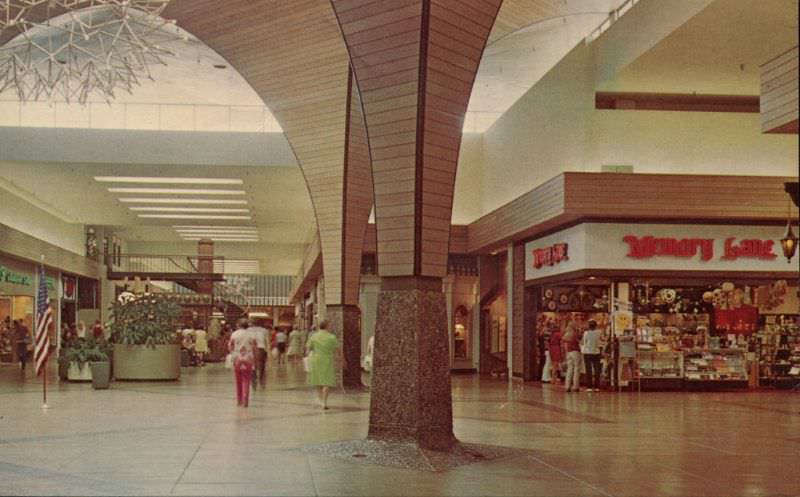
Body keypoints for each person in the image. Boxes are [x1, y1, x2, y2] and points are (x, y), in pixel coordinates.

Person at [306, 320, 341, 409]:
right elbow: (338, 350)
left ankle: (321, 400)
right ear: (327, 326)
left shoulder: (314, 336)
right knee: (327, 381)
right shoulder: (332, 337)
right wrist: (342, 360)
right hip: (327, 359)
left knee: (318, 381)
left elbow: (308, 348)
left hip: (316, 359)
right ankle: (324, 402)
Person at [228, 318, 257, 407]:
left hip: (237, 358)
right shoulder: (251, 334)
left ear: (238, 325)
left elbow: (230, 346)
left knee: (238, 380)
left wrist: (233, 353)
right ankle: (245, 401)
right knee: (246, 380)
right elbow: (255, 347)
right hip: (248, 357)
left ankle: (239, 400)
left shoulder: (234, 334)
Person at [581, 320, 602, 392]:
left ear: (589, 326)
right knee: (597, 370)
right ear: (595, 326)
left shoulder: (586, 333)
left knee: (588, 370)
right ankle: (597, 387)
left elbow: (583, 342)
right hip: (596, 352)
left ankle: (589, 387)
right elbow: (601, 340)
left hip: (587, 352)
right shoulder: (599, 332)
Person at [562, 319, 582, 392]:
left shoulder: (566, 334)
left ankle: (567, 386)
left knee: (569, 369)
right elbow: (580, 339)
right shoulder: (575, 333)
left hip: (568, 353)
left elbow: (564, 343)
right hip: (575, 352)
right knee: (576, 369)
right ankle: (575, 386)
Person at [249, 320, 268, 388]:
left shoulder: (248, 330)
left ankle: (254, 380)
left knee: (252, 366)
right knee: (262, 366)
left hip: (251, 349)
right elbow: (267, 341)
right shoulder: (264, 330)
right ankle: (261, 381)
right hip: (261, 349)